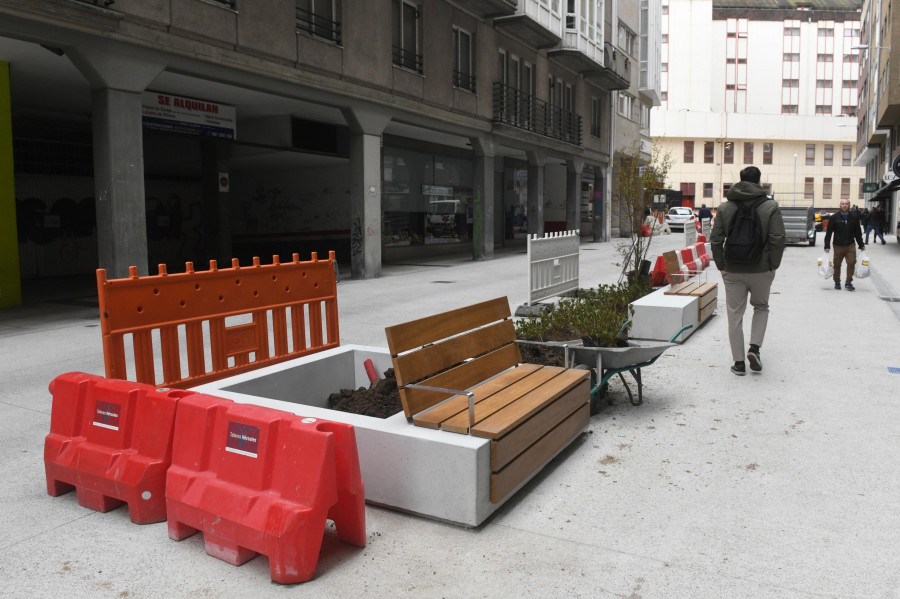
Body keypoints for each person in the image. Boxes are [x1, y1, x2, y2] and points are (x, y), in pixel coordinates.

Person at [710, 166, 785, 376]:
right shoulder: (770, 206)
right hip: (761, 269)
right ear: (759, 182)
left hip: (732, 270)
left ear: (740, 181)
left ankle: (739, 363)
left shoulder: (725, 208)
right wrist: (773, 265)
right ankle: (754, 348)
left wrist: (721, 266)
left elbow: (715, 240)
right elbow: (778, 239)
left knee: (734, 314)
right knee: (761, 307)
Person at [824, 198, 866, 291]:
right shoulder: (834, 217)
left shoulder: (854, 217)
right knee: (837, 264)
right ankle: (837, 282)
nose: (844, 205)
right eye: (843, 204)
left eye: (846, 204)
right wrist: (827, 246)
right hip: (838, 245)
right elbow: (829, 232)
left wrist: (861, 244)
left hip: (850, 245)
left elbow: (857, 232)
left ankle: (848, 282)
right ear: (840, 205)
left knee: (851, 263)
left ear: (849, 205)